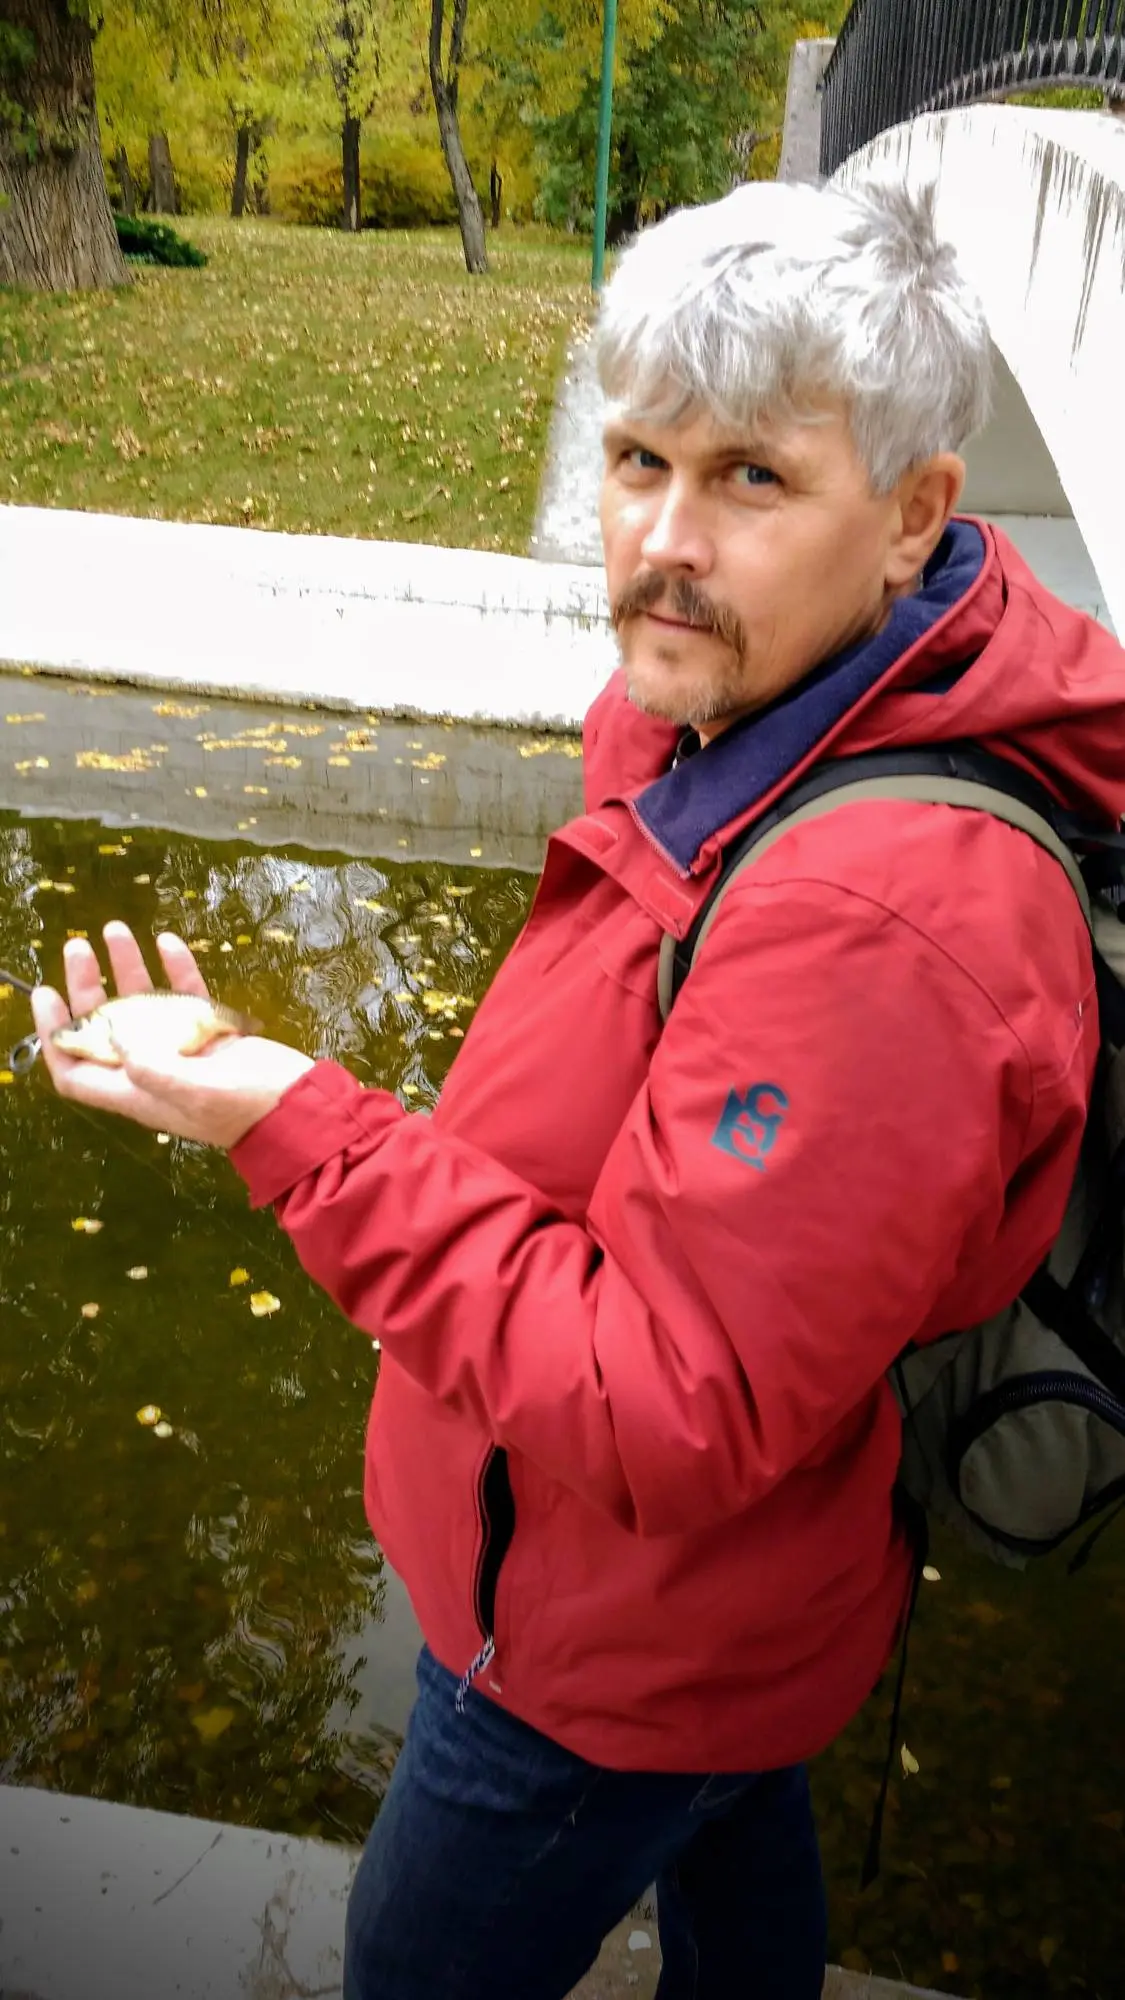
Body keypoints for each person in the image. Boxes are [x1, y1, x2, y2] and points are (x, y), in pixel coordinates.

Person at [33, 176, 1125, 2000]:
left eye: (752, 477)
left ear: (916, 516)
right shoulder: (752, 712)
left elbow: (664, 1402)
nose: (663, 542)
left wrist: (288, 1117)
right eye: (638, 460)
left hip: (593, 1662)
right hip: (737, 1611)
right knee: (742, 1853)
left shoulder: (878, 916)